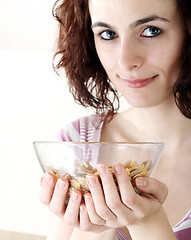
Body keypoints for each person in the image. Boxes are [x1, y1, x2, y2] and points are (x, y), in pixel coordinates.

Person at [39, 0, 191, 239]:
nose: (125, 60)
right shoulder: (77, 143)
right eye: (108, 34)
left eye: (151, 31)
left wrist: (147, 222)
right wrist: (96, 225)